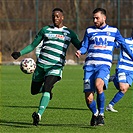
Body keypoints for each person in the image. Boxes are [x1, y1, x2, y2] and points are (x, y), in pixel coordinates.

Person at [11, 8, 81, 126]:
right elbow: (33, 45)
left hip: (55, 67)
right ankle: (47, 93)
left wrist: (89, 44)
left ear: (62, 17)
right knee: (34, 91)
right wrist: (20, 53)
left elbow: (80, 45)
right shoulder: (45, 30)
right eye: (54, 16)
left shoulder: (69, 33)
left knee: (47, 86)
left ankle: (38, 115)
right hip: (41, 66)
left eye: (58, 16)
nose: (55, 18)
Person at [75, 8, 133, 126]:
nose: (95, 20)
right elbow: (85, 46)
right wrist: (80, 51)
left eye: (97, 18)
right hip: (89, 66)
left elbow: (124, 45)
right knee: (89, 98)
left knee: (98, 85)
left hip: (104, 65)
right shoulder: (89, 30)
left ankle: (101, 114)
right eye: (93, 18)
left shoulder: (114, 31)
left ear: (104, 18)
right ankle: (95, 113)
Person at [106, 29, 133, 112]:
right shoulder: (125, 41)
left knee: (124, 89)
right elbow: (115, 44)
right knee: (122, 88)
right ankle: (115, 78)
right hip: (123, 68)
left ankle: (110, 105)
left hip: (131, 71)